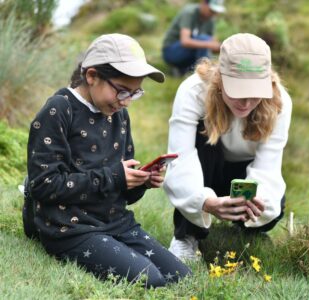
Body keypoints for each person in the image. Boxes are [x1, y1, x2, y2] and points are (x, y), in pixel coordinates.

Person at [26, 33, 191, 287]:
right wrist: (114, 176)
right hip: (69, 227)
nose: (126, 102)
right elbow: (43, 184)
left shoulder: (120, 116)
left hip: (115, 221)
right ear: (92, 76)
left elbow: (122, 191)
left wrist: (141, 181)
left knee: (180, 277)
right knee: (151, 280)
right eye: (122, 91)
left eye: (135, 93)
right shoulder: (59, 110)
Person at [163, 33, 293, 260]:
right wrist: (204, 202)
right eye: (238, 91)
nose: (246, 103)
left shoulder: (279, 101)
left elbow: (269, 166)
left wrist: (258, 201)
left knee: (269, 215)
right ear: (220, 80)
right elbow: (180, 158)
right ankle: (187, 236)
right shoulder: (193, 91)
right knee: (204, 139)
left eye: (255, 93)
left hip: (245, 173)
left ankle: (247, 227)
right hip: (206, 167)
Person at [162, 0, 225, 76]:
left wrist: (221, 47)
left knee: (205, 43)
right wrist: (209, 44)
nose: (213, 14)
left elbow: (211, 43)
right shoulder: (189, 12)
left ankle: (184, 69)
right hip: (171, 51)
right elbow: (185, 41)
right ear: (203, 3)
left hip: (189, 53)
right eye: (212, 10)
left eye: (215, 12)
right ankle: (204, 74)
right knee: (204, 40)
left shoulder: (210, 19)